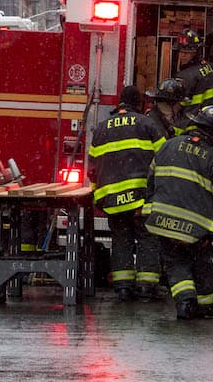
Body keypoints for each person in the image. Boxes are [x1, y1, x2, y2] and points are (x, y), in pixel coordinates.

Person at [144, 104, 213, 320]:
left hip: (163, 220)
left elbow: (150, 182)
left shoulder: (168, 146)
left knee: (175, 263)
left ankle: (184, 302)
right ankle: (205, 305)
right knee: (201, 261)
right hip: (195, 228)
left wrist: (150, 210)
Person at [89, 85, 167, 302]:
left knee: (121, 240)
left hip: (112, 199)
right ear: (139, 103)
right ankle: (146, 287)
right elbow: (165, 157)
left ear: (120, 102)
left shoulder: (101, 129)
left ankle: (123, 287)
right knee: (147, 239)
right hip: (140, 198)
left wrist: (97, 196)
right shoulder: (148, 124)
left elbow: (92, 168)